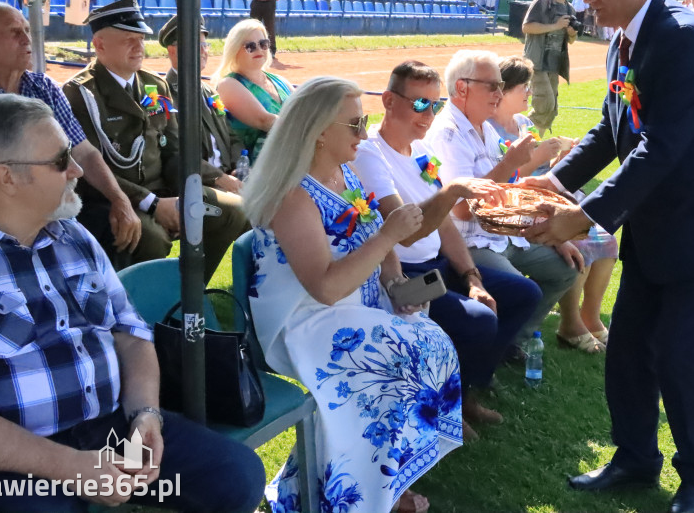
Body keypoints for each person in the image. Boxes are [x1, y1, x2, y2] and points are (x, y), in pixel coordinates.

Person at [520, 0, 694, 513]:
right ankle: (635, 457)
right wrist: (553, 181)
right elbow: (613, 129)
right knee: (630, 348)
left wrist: (580, 218)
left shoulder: (688, 42)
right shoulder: (624, 39)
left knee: (680, 352)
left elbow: (659, 147)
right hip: (658, 221)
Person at [0, 93, 266, 513]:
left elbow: (129, 332)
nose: (77, 169)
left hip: (112, 426)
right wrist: (72, 468)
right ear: (6, 178)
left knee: (238, 477)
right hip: (12, 460)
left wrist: (145, 416)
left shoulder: (73, 235)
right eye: (60, 160)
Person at [242, 76, 462, 513]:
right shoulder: (293, 194)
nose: (364, 134)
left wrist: (398, 288)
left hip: (358, 306)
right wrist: (386, 237)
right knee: (395, 363)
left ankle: (373, 484)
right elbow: (324, 288)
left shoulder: (345, 172)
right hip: (308, 321)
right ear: (320, 131)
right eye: (355, 123)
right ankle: (355, 497)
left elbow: (379, 255)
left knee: (432, 342)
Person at [352, 60, 541, 437]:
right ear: (388, 101)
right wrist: (452, 192)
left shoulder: (421, 149)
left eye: (435, 105)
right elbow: (402, 230)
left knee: (523, 294)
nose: (428, 114)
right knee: (480, 321)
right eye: (419, 103)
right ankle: (446, 404)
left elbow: (444, 224)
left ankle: (465, 389)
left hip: (439, 265)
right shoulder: (370, 153)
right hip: (404, 276)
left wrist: (472, 277)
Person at [62, 0, 248, 280]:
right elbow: (90, 167)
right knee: (151, 236)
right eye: (128, 39)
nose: (139, 47)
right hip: (115, 199)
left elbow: (173, 151)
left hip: (164, 193)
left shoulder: (154, 84)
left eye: (141, 38)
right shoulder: (80, 94)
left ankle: (189, 294)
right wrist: (152, 203)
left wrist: (184, 195)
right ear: (99, 45)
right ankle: (142, 307)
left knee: (233, 212)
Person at [425, 50, 581, 353]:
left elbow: (506, 191)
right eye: (492, 86)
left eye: (500, 85)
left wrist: (549, 232)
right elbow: (461, 210)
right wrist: (510, 163)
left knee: (566, 269)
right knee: (523, 291)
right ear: (462, 88)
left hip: (501, 232)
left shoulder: (483, 127)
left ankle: (512, 341)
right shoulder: (448, 134)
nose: (499, 92)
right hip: (469, 243)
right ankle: (488, 350)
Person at [0, 1, 141, 254]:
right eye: (15, 32)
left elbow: (84, 153)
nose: (27, 39)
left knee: (116, 232)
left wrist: (119, 198)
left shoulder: (43, 87)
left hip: (57, 210)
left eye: (26, 29)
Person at [491, 55, 617, 353]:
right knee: (577, 244)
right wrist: (539, 158)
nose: (530, 93)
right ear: (504, 89)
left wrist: (558, 163)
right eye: (524, 86)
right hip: (518, 208)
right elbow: (501, 181)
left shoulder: (523, 123)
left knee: (606, 237)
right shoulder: (487, 128)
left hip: (541, 197)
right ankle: (570, 323)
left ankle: (591, 316)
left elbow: (540, 174)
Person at [158, 13, 241, 194]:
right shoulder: (163, 95)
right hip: (197, 186)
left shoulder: (208, 91)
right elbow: (174, 154)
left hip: (229, 178)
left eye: (205, 45)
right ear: (172, 50)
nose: (203, 51)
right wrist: (221, 178)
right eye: (196, 45)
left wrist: (237, 166)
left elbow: (231, 135)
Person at [213, 18, 293, 163]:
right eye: (250, 46)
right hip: (255, 168)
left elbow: (305, 110)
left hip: (291, 159)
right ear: (235, 49)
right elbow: (266, 121)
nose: (259, 50)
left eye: (263, 44)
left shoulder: (280, 80)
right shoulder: (229, 84)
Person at [521, 0, 578, 132]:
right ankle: (518, 135)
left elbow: (571, 40)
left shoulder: (570, 10)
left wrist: (571, 33)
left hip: (554, 64)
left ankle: (534, 148)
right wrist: (555, 26)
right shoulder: (541, 2)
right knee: (545, 103)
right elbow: (526, 27)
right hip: (536, 61)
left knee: (551, 110)